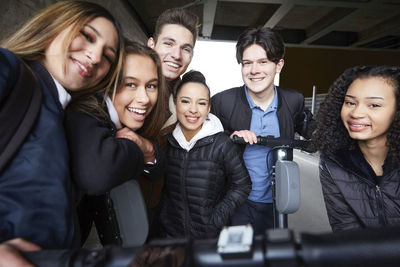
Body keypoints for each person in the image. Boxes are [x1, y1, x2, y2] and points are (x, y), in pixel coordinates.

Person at [0, 0, 123, 251]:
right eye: (87, 36)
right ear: (54, 26)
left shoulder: (62, 110)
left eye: (108, 56)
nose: (96, 56)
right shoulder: (9, 71)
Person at [210, 27, 314, 235]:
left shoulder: (293, 100)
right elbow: (203, 146)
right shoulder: (222, 101)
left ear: (279, 65)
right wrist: (229, 139)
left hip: (276, 204)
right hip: (236, 202)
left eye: (263, 62)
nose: (254, 70)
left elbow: (316, 131)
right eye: (247, 63)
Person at [65, 41, 167, 245]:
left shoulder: (122, 118)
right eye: (130, 84)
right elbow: (97, 174)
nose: (144, 98)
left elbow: (159, 167)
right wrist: (133, 146)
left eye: (151, 86)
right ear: (106, 82)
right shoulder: (85, 113)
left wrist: (145, 146)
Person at [160, 70, 251, 238]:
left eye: (201, 103)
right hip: (171, 234)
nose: (193, 110)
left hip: (209, 238)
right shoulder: (166, 141)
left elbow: (242, 185)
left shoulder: (222, 144)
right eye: (186, 101)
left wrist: (216, 219)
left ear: (209, 108)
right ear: (175, 103)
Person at [310, 65, 400, 232]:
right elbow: (345, 230)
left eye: (373, 105)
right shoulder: (333, 161)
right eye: (350, 102)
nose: (356, 113)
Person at [145, 7, 200, 238]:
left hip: (163, 212)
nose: (176, 55)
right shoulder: (121, 85)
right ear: (151, 44)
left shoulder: (187, 100)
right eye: (168, 43)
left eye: (185, 49)